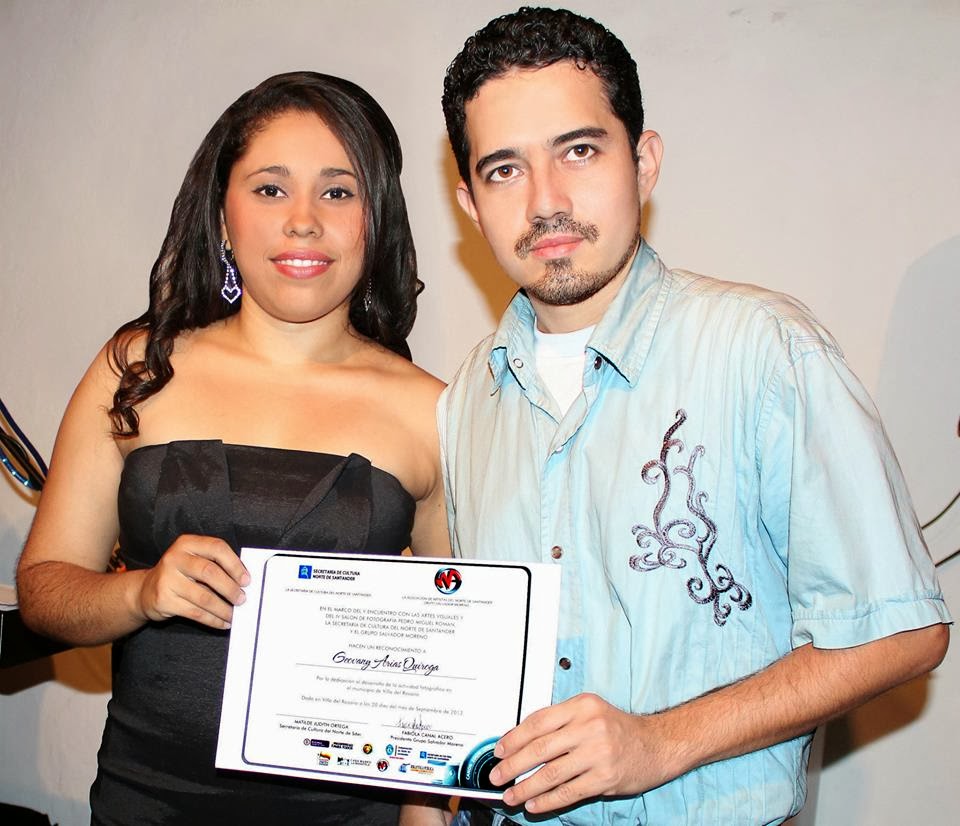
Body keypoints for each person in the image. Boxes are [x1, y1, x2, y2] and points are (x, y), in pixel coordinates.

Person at [438, 7, 951, 825]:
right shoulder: (468, 399)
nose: (546, 201)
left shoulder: (765, 351)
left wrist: (661, 741)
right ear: (470, 202)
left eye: (579, 151)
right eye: (505, 170)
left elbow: (903, 631)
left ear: (643, 163)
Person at [17, 71, 449, 825]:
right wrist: (140, 593)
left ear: (375, 221)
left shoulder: (433, 410)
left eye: (338, 192)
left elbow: (448, 674)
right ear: (222, 216)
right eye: (271, 189)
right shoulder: (136, 369)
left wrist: (425, 814)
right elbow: (44, 592)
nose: (303, 222)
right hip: (145, 805)